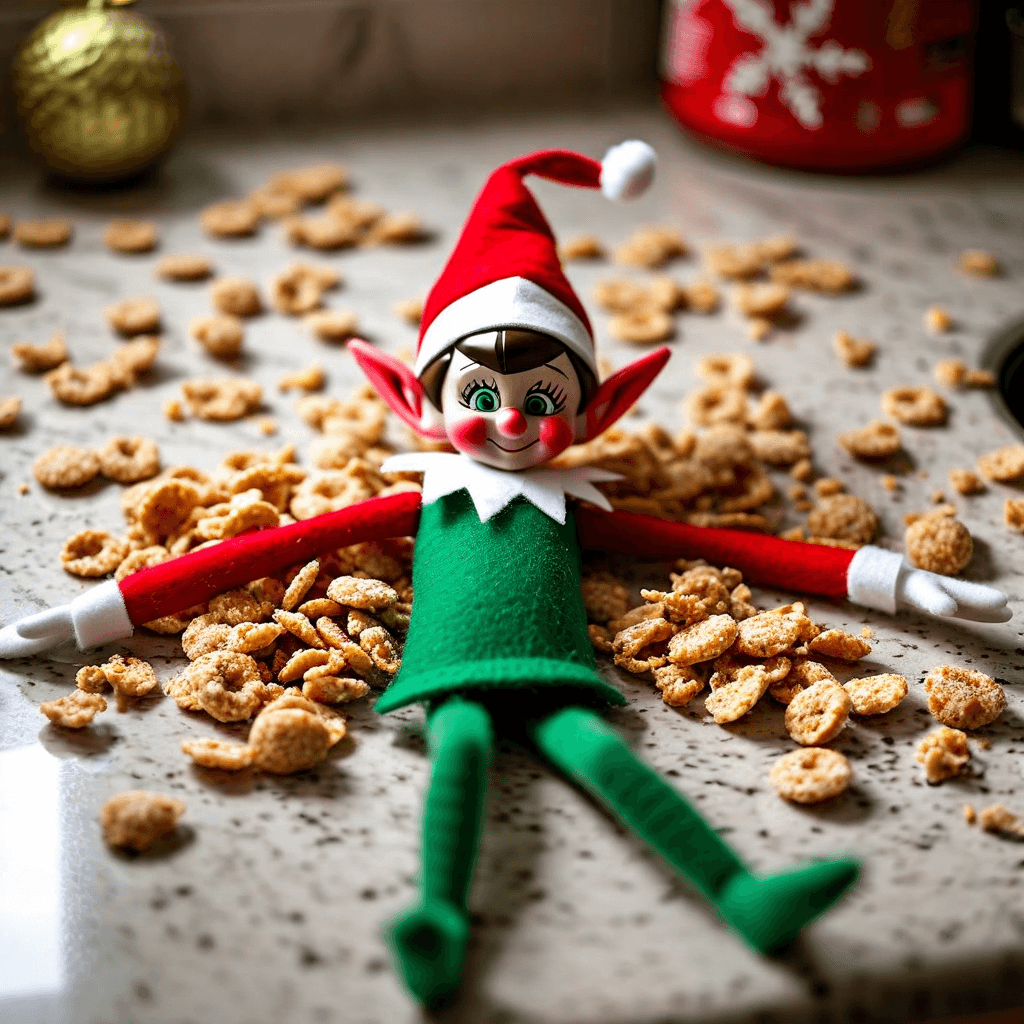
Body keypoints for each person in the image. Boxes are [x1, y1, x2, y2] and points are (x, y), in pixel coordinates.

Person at [1, 142, 1010, 1008]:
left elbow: (730, 549)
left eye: (541, 397)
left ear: (597, 409)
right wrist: (100, 611)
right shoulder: (421, 498)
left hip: (556, 665)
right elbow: (268, 550)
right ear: (418, 401)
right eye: (481, 393)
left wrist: (887, 577)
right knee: (463, 760)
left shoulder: (581, 502)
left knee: (612, 764)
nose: (514, 420)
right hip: (447, 671)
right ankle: (437, 918)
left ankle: (744, 894)